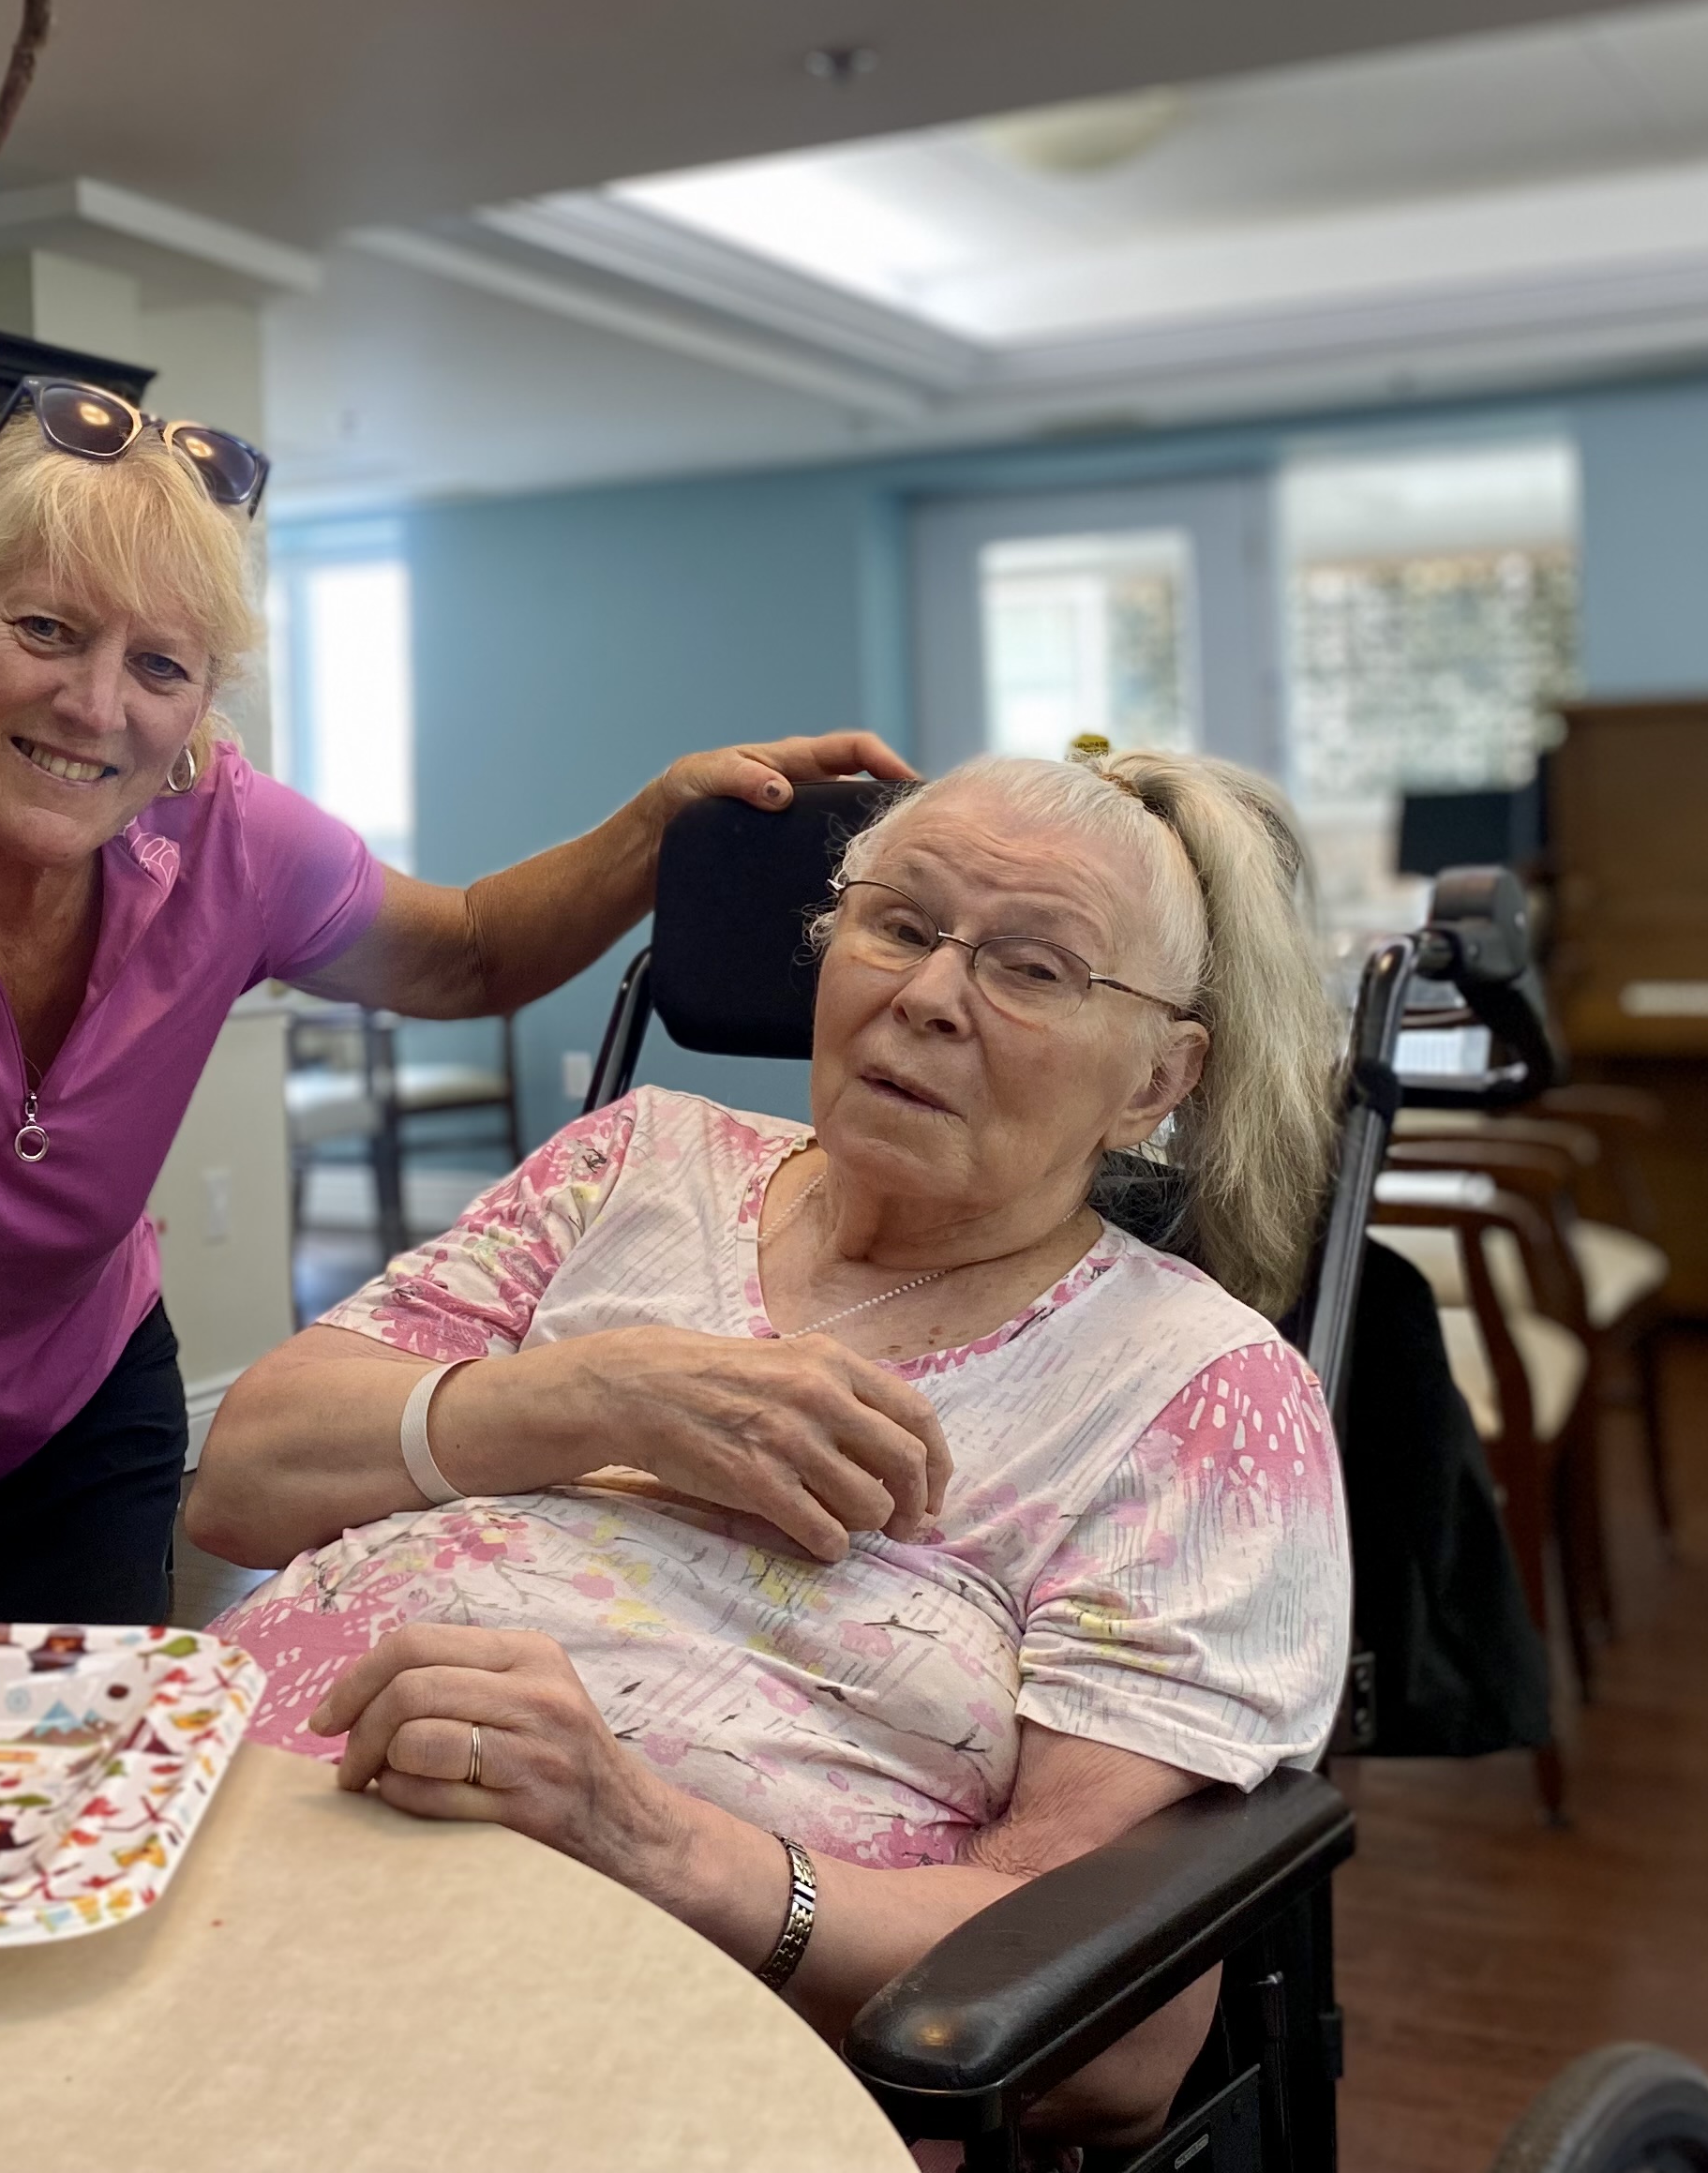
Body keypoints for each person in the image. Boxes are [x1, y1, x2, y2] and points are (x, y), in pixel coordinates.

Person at [186, 745, 1348, 2139]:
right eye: (899, 925)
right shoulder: (630, 1163)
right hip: (208, 1861)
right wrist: (607, 1397)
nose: (923, 998)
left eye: (1033, 969)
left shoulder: (1198, 1393)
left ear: (1160, 1076)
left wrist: (656, 1840)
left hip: (613, 2027)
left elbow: (1110, 2037)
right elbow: (243, 1484)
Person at [0, 381, 906, 1627]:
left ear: (199, 710)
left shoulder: (232, 842)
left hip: (71, 1419)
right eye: (46, 629)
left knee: (75, 1798)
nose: (97, 706)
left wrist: (661, 825)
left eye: (160, 666)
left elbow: (468, 955)